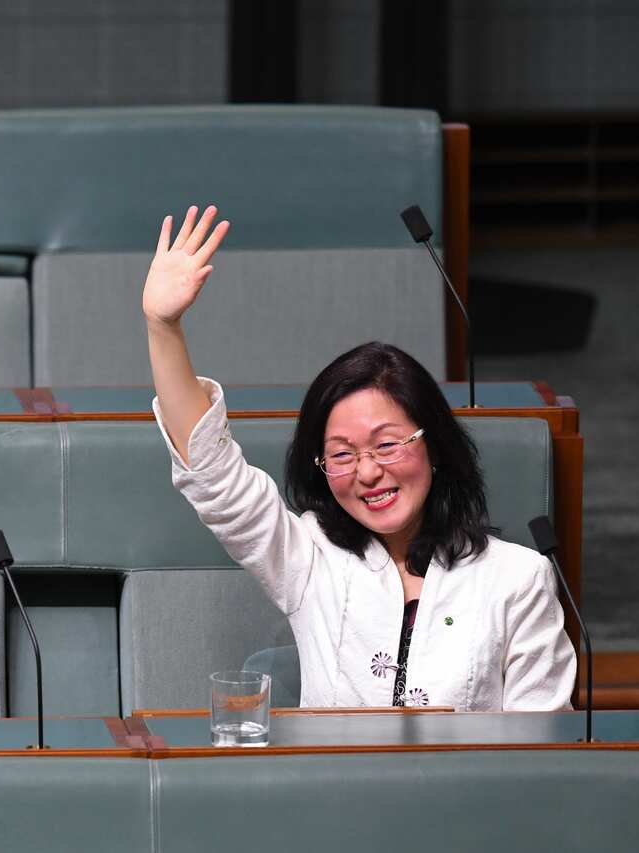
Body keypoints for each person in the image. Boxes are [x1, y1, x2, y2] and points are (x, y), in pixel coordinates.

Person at [144, 204, 576, 711]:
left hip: (469, 791)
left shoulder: (517, 578)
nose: (368, 472)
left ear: (433, 443)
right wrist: (162, 327)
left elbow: (542, 749)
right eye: (341, 455)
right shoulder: (310, 558)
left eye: (387, 444)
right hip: (331, 790)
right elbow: (214, 477)